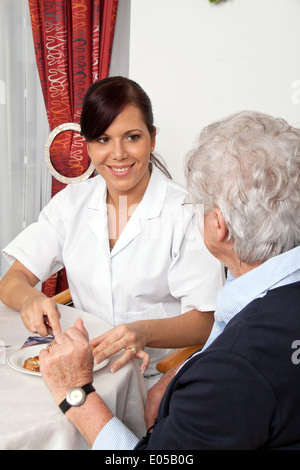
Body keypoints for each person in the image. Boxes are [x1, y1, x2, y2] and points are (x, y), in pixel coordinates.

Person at [39, 110, 300, 450]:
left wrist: (75, 393)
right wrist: (180, 377)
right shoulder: (253, 318)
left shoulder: (229, 371)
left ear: (218, 225)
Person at [0, 76, 223, 381]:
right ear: (88, 145)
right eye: (103, 139)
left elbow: (205, 319)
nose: (118, 154)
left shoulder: (187, 212)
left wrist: (143, 332)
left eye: (132, 137)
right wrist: (29, 298)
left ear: (152, 138)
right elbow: (12, 280)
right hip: (84, 365)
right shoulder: (71, 203)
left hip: (157, 373)